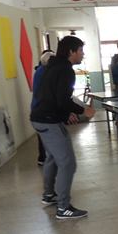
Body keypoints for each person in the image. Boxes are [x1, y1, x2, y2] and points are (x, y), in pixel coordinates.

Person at [30, 35, 96, 220]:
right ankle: (63, 207)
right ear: (71, 52)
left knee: (52, 157)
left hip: (41, 118)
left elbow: (53, 96)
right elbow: (62, 100)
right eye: (80, 50)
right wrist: (83, 110)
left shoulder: (52, 66)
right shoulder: (65, 70)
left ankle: (49, 195)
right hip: (48, 120)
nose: (82, 54)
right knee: (68, 163)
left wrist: (67, 113)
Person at [32, 49, 54, 166]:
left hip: (38, 108)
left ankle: (43, 157)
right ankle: (45, 157)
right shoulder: (43, 72)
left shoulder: (40, 71)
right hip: (42, 109)